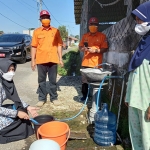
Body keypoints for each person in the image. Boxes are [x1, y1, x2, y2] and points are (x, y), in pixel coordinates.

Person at [125, 1, 150, 149]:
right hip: (135, 100)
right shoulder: (143, 41)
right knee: (136, 136)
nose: (137, 22)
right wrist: (128, 96)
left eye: (140, 18)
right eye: (136, 19)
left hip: (146, 103)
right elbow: (135, 71)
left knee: (148, 138)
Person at [0, 59, 38, 144]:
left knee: (21, 107)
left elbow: (15, 98)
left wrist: (28, 107)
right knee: (19, 115)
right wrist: (16, 113)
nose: (11, 73)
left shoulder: (5, 81)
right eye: (8, 70)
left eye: (13, 70)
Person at [31, 10, 63, 107]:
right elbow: (34, 46)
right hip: (41, 60)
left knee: (53, 80)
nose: (45, 19)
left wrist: (60, 58)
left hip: (53, 60)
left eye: (47, 17)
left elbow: (59, 45)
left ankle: (54, 97)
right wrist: (33, 60)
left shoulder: (55, 31)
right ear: (40, 19)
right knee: (41, 80)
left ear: (50, 19)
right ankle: (42, 98)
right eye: (43, 17)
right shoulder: (36, 32)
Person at [79, 17, 108, 101]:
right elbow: (80, 47)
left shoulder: (102, 36)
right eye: (91, 24)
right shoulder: (85, 36)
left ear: (97, 26)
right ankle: (85, 96)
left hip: (96, 63)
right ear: (89, 25)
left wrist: (95, 50)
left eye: (94, 24)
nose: (93, 26)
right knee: (84, 82)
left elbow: (105, 48)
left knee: (95, 82)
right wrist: (83, 49)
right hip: (86, 62)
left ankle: (95, 98)